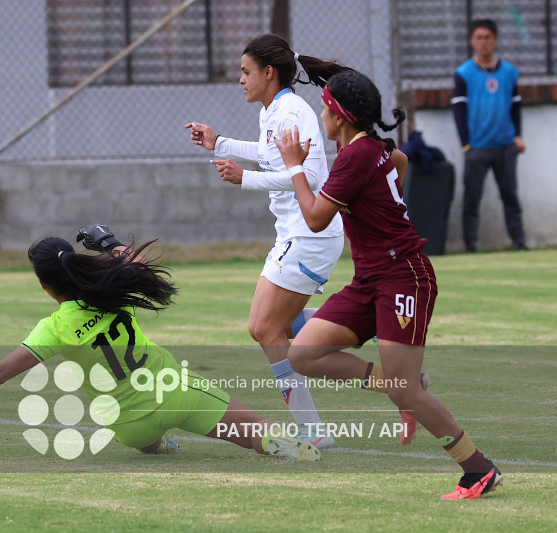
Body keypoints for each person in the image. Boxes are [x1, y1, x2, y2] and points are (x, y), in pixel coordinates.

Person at [0, 224, 320, 462]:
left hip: (125, 425)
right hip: (176, 395)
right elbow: (137, 265)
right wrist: (110, 242)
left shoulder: (54, 327)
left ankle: (158, 441)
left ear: (44, 286)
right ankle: (296, 449)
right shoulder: (112, 289)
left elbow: (1, 372)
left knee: (148, 436)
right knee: (266, 438)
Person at [274, 69, 502, 499]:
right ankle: (405, 386)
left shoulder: (356, 156)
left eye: (325, 106)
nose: (320, 112)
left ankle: (479, 470)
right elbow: (399, 162)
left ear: (339, 116)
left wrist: (294, 169)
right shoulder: (372, 149)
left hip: (404, 278)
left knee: (408, 392)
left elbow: (316, 217)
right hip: (372, 279)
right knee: (303, 353)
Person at [183, 34, 351, 449]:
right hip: (295, 234)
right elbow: (271, 155)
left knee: (266, 328)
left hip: (308, 236)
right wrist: (219, 142)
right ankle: (357, 320)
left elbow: (310, 177)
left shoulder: (291, 110)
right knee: (266, 327)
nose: (240, 79)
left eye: (245, 72)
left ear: (268, 73)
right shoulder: (275, 110)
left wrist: (245, 179)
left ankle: (313, 429)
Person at [452, 18, 527, 252]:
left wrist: (518, 136)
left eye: (487, 37)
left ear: (495, 40)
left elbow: (515, 107)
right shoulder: (463, 73)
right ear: (472, 41)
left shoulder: (509, 72)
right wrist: (466, 144)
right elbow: (459, 110)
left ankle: (519, 242)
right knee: (472, 199)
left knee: (510, 196)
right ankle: (471, 246)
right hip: (477, 147)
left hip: (505, 145)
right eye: (479, 38)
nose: (483, 42)